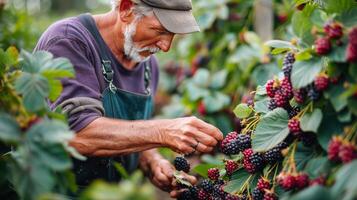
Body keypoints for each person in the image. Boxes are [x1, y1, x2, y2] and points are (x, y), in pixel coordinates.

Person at [34, 0, 223, 197]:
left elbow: (131, 134)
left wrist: (152, 162)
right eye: (160, 31)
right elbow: (75, 133)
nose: (166, 46)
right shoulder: (69, 41)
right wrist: (163, 132)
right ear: (125, 9)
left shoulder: (148, 65)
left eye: (173, 35)